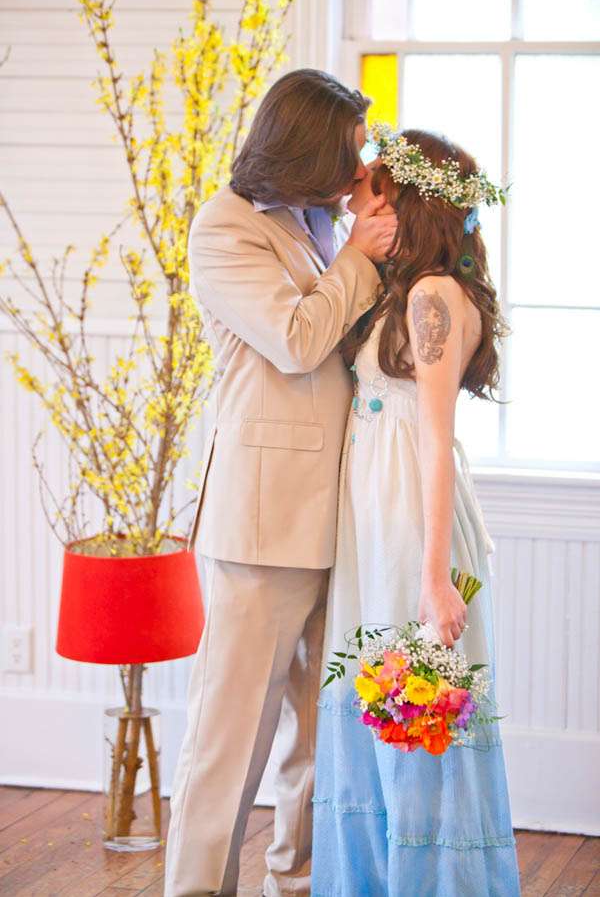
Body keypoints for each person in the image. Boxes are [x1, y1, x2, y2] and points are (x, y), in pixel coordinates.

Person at [163, 70, 397, 897]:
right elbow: (297, 341)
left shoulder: (317, 223)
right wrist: (360, 256)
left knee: (320, 736)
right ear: (305, 147)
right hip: (262, 524)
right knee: (229, 740)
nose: (359, 163)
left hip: (341, 516)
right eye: (349, 148)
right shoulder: (224, 227)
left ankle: (297, 882)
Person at [311, 126, 522, 896]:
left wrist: (434, 579)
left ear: (406, 201)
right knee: (379, 708)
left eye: (370, 190)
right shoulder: (407, 288)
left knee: (413, 712)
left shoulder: (434, 296)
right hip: (377, 518)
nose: (354, 201)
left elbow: (435, 441)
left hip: (409, 521)